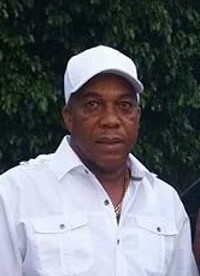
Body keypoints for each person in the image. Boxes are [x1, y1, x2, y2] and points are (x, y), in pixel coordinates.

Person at [0, 45, 198, 276]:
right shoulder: (15, 194)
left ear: (137, 117)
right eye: (93, 104)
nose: (111, 120)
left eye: (124, 105)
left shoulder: (166, 203)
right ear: (68, 116)